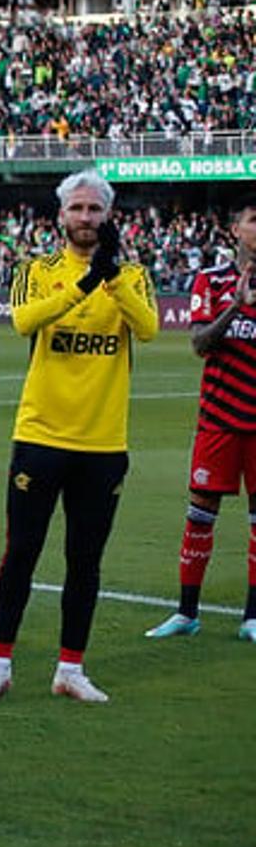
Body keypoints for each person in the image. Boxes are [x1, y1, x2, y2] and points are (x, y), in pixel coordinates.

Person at [0, 172, 159, 704]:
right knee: (20, 554)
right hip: (41, 434)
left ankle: (70, 669)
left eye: (95, 209)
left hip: (102, 442)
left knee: (85, 560)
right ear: (61, 216)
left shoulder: (132, 275)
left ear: (108, 216)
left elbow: (147, 329)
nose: (86, 218)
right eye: (77, 208)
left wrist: (112, 278)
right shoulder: (37, 270)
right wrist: (83, 284)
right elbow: (24, 320)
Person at [147, 195, 256, 643]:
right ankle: (186, 612)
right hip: (218, 419)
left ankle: (252, 617)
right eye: (254, 219)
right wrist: (235, 306)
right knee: (200, 515)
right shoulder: (210, 280)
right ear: (236, 230)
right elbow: (199, 344)